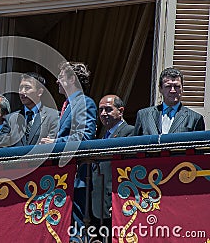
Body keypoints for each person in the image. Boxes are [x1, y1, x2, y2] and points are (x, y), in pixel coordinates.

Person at [40, 61, 97, 241]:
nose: (57, 81)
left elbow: (85, 136)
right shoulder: (67, 105)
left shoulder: (85, 103)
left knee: (76, 227)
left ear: (72, 79)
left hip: (77, 176)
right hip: (62, 177)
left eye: (61, 77)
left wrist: (56, 143)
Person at [92, 94, 134, 237]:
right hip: (98, 202)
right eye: (101, 110)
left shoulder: (129, 132)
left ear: (120, 111)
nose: (103, 114)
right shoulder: (104, 135)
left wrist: (118, 200)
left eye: (108, 109)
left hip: (115, 199)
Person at [134, 67, 205, 135]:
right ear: (160, 89)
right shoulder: (144, 115)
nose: (173, 90)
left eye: (177, 86)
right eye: (168, 86)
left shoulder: (195, 118)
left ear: (182, 89)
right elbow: (136, 145)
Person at [4, 72, 59, 146]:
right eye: (20, 88)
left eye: (27, 88)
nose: (22, 92)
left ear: (39, 92)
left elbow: (51, 145)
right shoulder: (10, 119)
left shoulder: (53, 116)